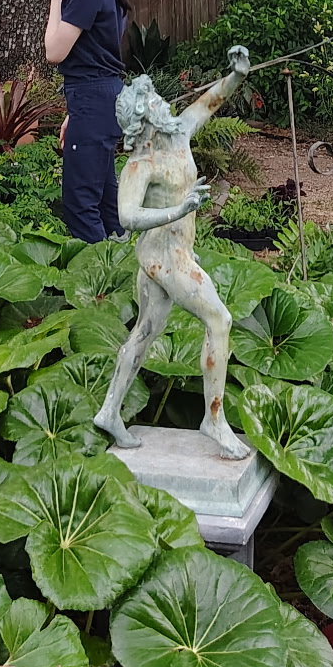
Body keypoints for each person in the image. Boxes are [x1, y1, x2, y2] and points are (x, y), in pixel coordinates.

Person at [92, 48, 253, 458]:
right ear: (145, 118)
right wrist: (179, 209)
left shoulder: (179, 133)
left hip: (175, 252)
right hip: (165, 258)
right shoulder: (141, 164)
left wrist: (236, 74)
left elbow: (209, 102)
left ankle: (109, 412)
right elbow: (127, 216)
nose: (163, 101)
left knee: (145, 332)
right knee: (219, 320)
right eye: (153, 99)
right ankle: (213, 420)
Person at [43, 0, 131, 244]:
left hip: (93, 100)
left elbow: (54, 51)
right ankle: (123, 266)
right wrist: (76, 113)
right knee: (107, 201)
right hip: (100, 100)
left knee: (80, 204)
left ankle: (95, 273)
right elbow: (96, 55)